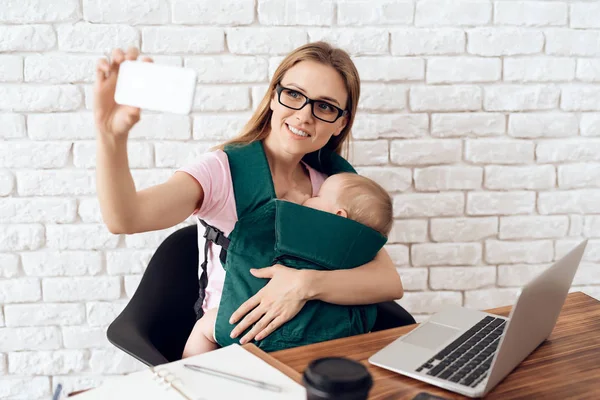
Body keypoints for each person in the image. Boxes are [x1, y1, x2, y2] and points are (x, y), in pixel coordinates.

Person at [94, 41, 404, 357]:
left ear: (341, 121)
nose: (303, 116)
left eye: (325, 106)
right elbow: (125, 218)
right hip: (234, 350)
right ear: (273, 96)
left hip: (320, 348)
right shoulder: (221, 171)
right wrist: (110, 137)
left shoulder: (332, 186)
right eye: (294, 95)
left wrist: (301, 285)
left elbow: (388, 281)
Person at [182, 172, 394, 356]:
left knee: (205, 327)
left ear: (338, 216)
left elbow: (249, 250)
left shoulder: (297, 231)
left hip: (262, 333)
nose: (309, 197)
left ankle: (182, 383)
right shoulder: (364, 253)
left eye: (316, 196)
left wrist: (290, 205)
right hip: (339, 338)